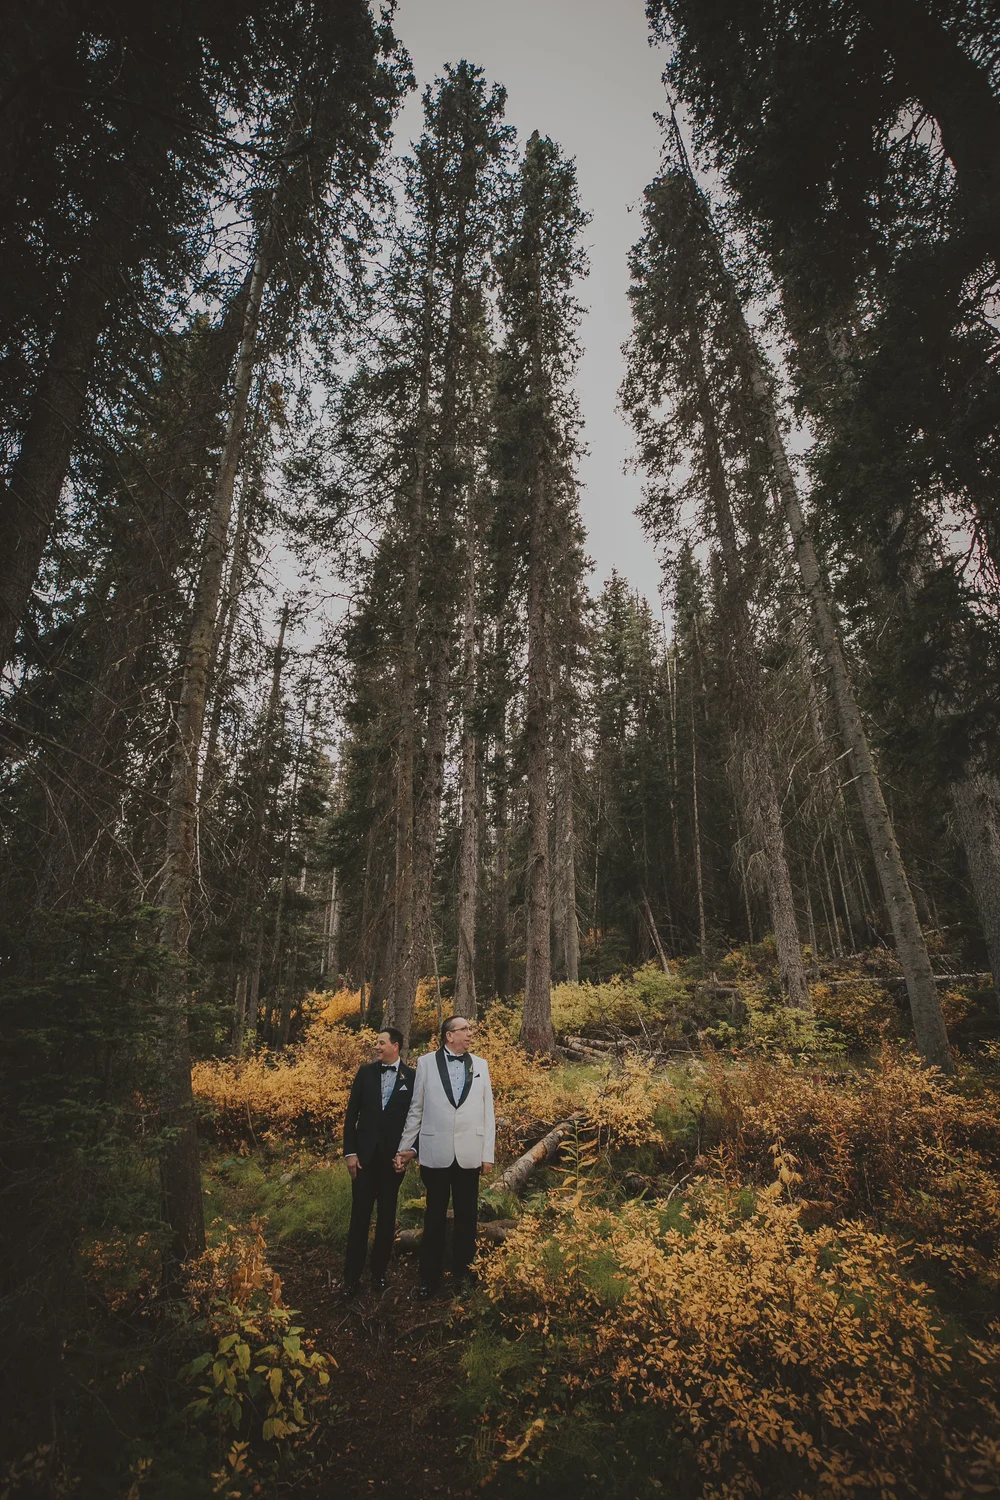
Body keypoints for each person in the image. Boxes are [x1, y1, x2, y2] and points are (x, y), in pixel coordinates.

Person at [394, 1015, 495, 1299]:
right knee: (434, 1216)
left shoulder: (481, 1065)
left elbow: (488, 1112)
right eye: (464, 1029)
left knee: (466, 1217)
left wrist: (488, 1154)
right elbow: (417, 1109)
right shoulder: (426, 1063)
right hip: (435, 1152)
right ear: (449, 1035)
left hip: (469, 1153)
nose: (470, 1033)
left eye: (470, 1029)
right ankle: (429, 1278)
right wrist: (404, 1148)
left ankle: (464, 1276)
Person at [341, 1026, 415, 1297]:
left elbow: (415, 1120)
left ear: (395, 1046)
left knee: (386, 1220)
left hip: (393, 1162)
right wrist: (350, 1153)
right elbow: (352, 1115)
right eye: (376, 1043)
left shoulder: (412, 1077)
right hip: (363, 1161)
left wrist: (409, 1152)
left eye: (381, 1043)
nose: (377, 1047)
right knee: (359, 1219)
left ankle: (379, 1274)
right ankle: (350, 1278)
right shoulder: (365, 1073)